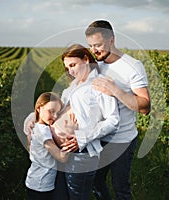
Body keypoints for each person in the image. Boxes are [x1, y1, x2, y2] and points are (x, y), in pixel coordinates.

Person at [24, 44, 120, 200]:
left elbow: (113, 120)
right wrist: (33, 118)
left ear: (86, 59)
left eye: (73, 65)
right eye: (67, 67)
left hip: (81, 153)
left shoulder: (100, 84)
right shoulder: (72, 87)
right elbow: (56, 109)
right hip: (61, 153)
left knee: (77, 196)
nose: (70, 71)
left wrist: (82, 138)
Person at [85, 20, 151, 200]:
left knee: (120, 187)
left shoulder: (132, 66)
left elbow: (145, 106)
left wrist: (116, 91)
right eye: (90, 46)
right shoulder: (95, 63)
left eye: (98, 45)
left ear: (112, 40)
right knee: (96, 183)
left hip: (122, 140)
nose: (94, 50)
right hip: (98, 138)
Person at [25, 92, 72, 200]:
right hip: (41, 184)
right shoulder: (43, 131)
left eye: (58, 113)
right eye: (51, 111)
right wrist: (73, 139)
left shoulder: (37, 127)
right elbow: (62, 157)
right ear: (39, 108)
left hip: (35, 180)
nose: (55, 116)